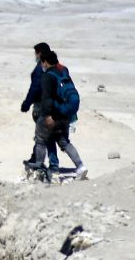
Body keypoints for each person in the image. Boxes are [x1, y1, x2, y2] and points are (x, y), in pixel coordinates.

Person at [30, 48, 86, 178]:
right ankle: (80, 166)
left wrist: (48, 116)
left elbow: (47, 98)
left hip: (54, 114)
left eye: (41, 62)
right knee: (64, 142)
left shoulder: (47, 76)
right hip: (66, 114)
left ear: (45, 62)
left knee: (46, 139)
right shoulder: (64, 71)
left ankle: (52, 169)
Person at [21, 42, 60, 170]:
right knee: (46, 134)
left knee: (43, 136)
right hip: (55, 104)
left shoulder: (40, 69)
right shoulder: (56, 67)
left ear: (39, 54)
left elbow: (35, 88)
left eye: (36, 53)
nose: (35, 56)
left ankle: (46, 164)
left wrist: (26, 104)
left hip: (42, 106)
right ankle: (36, 158)